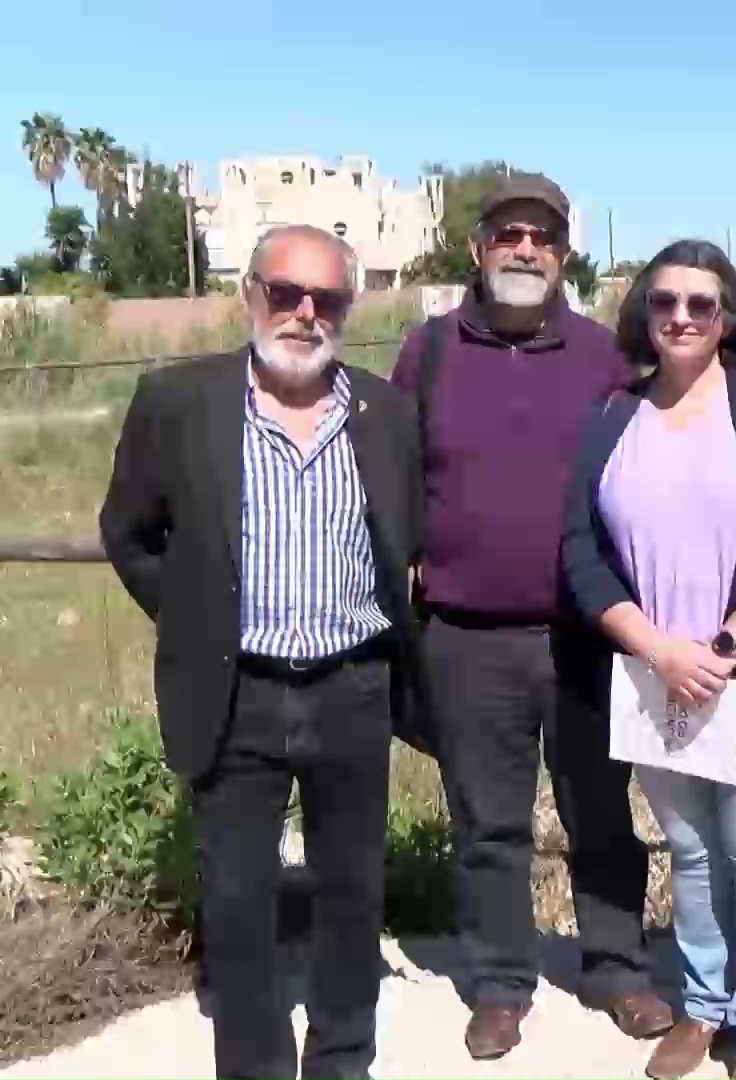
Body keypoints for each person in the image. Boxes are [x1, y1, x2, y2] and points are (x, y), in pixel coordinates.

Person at [98, 225, 421, 1080]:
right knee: (239, 904)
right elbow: (128, 534)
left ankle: (343, 1058)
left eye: (327, 299)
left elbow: (404, 542)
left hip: (354, 688)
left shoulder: (385, 413)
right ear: (251, 294)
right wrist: (197, 619)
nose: (305, 314)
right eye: (286, 293)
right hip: (235, 695)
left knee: (352, 896)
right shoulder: (178, 404)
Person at [389, 172, 666, 1059]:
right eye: (507, 234)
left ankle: (618, 966)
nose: (524, 249)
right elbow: (393, 477)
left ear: (562, 254)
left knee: (601, 811)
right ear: (476, 249)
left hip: (587, 634)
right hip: (464, 636)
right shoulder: (426, 353)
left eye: (541, 238)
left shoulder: (601, 356)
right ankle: (501, 984)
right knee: (487, 821)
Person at [561, 239, 736, 1080]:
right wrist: (654, 648)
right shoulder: (613, 415)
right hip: (653, 675)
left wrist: (720, 648)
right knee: (689, 847)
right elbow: (581, 548)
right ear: (645, 313)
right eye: (664, 302)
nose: (681, 317)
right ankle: (705, 1005)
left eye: (700, 305)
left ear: (727, 318)